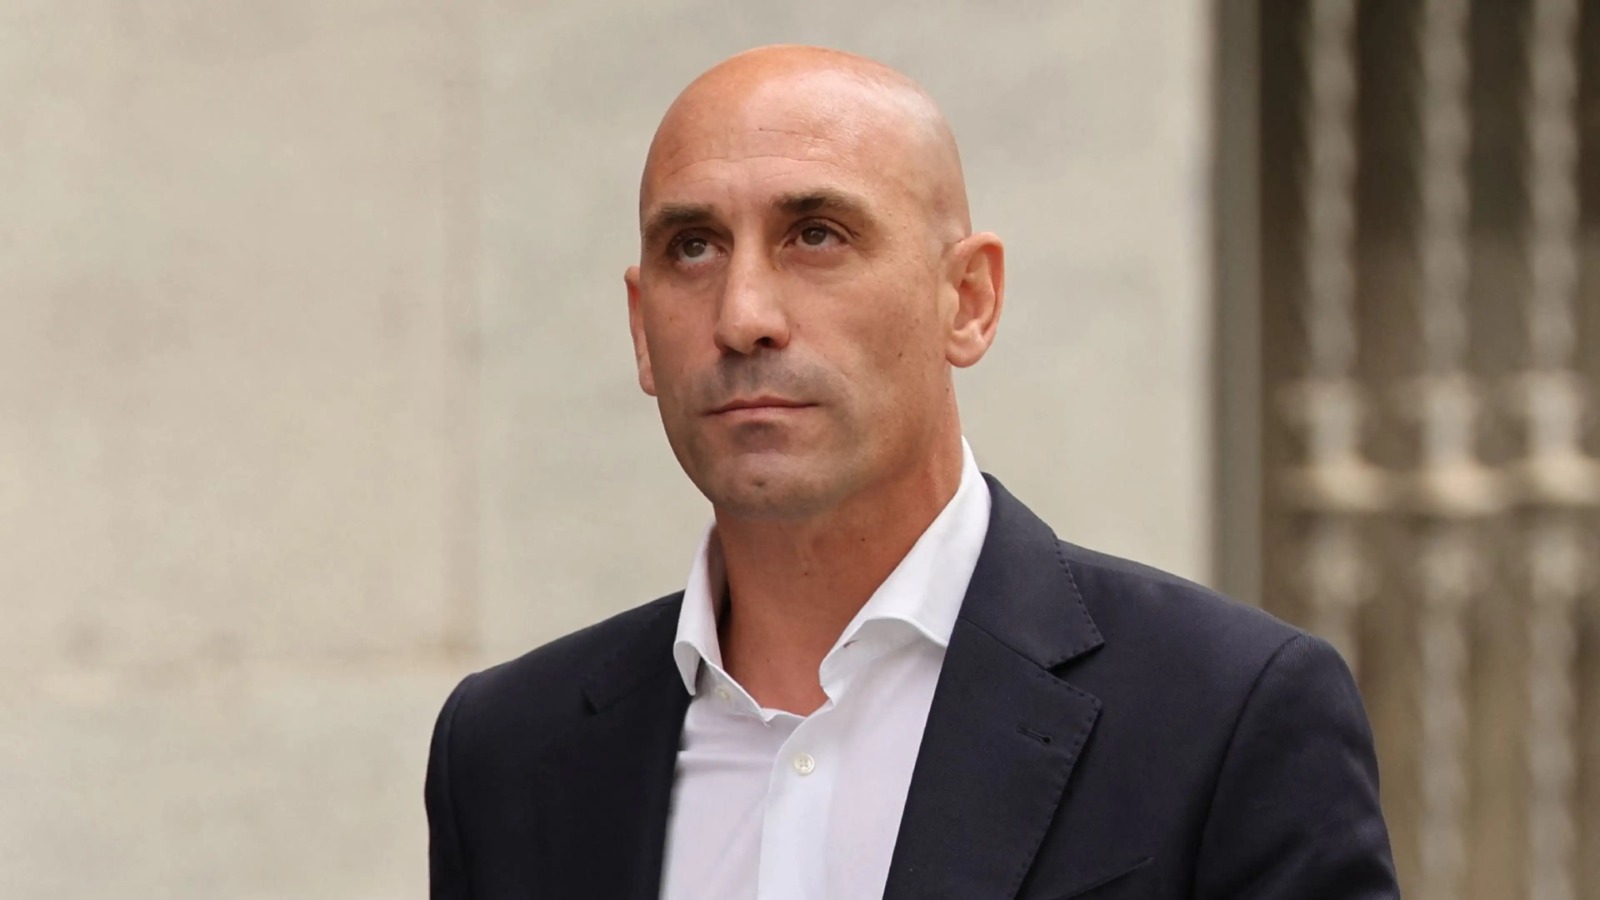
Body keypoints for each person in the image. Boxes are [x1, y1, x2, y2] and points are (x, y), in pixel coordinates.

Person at [425, 45, 1399, 900]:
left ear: (967, 300)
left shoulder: (1224, 714)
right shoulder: (507, 750)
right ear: (642, 330)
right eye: (693, 247)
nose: (743, 314)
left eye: (816, 234)